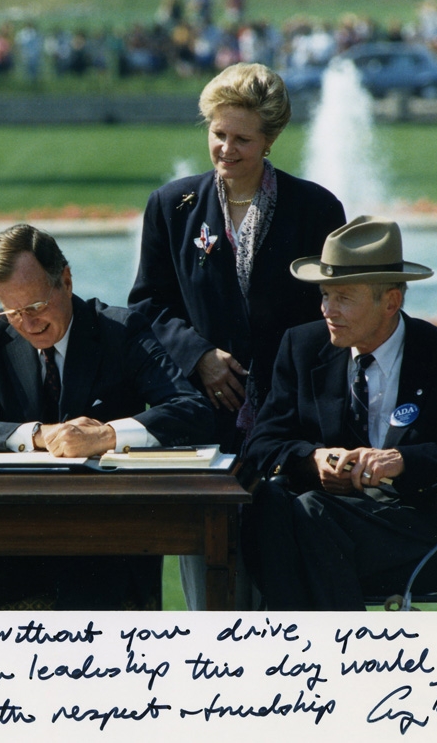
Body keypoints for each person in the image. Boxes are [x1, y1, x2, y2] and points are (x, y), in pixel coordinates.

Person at [128, 61, 345, 609]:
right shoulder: (171, 207)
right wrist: (198, 355)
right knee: (210, 579)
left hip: (291, 417)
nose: (226, 149)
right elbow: (148, 305)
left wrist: (285, 384)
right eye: (217, 134)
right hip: (203, 417)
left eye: (242, 139)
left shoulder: (315, 208)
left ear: (270, 140)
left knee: (283, 572)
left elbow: (331, 312)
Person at [0, 224, 213, 610]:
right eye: (13, 311)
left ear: (66, 281)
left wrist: (104, 436)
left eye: (36, 307)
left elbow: (192, 411)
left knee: (87, 586)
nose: (28, 323)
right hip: (17, 539)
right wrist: (37, 434)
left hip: (106, 539)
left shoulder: (121, 330)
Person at [242, 216, 437, 610]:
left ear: (390, 302)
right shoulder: (301, 347)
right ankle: (351, 650)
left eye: (344, 298)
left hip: (412, 529)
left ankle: (304, 648)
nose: (327, 311)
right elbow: (262, 444)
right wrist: (314, 459)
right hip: (319, 526)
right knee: (274, 503)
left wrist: (402, 461)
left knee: (303, 515)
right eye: (324, 295)